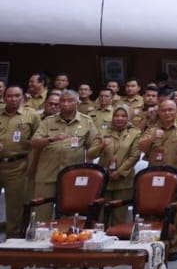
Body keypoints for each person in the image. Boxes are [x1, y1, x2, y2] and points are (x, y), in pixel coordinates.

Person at [29, 90, 100, 222]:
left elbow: (92, 149)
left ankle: (68, 240)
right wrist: (51, 139)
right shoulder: (48, 122)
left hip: (72, 176)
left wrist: (101, 147)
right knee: (41, 213)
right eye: (63, 101)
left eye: (70, 100)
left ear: (77, 103)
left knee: (71, 214)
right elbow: (34, 143)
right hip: (47, 174)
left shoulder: (86, 121)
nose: (65, 104)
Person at [0, 85, 39, 237]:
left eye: (17, 96)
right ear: (4, 98)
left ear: (23, 98)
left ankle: (12, 239)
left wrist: (32, 165)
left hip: (18, 165)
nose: (13, 99)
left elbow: (37, 142)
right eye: (9, 96)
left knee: (15, 207)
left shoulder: (32, 115)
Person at [99, 104, 142, 226]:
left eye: (123, 116)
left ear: (128, 117)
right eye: (117, 115)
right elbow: (93, 153)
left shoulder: (135, 133)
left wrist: (119, 172)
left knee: (119, 217)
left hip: (124, 180)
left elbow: (134, 156)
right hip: (105, 178)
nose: (119, 118)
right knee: (102, 217)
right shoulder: (104, 131)